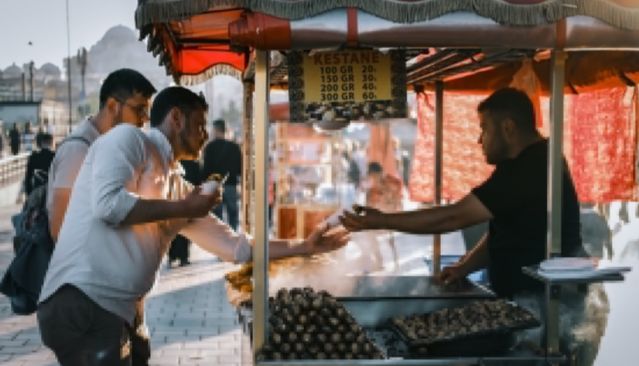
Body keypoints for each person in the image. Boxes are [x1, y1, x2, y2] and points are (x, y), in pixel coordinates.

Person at [37, 86, 349, 366]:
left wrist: (306, 246)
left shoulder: (177, 186)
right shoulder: (129, 140)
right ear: (176, 118)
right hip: (83, 301)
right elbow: (108, 205)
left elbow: (235, 247)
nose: (204, 135)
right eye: (199, 125)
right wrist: (185, 207)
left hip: (122, 312)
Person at [341, 88, 600, 364]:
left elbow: (452, 217)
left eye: (484, 129)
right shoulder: (528, 162)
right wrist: (464, 267)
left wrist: (381, 220)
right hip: (528, 303)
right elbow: (508, 232)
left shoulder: (531, 168)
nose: (480, 139)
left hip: (549, 308)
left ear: (508, 127)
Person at [43, 68, 157, 366]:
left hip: (110, 299)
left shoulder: (112, 147)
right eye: (139, 109)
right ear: (112, 106)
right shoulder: (79, 150)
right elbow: (60, 228)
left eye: (147, 110)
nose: (144, 119)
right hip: (86, 301)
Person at [202, 118, 242, 231]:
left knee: (217, 217)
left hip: (214, 186)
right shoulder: (234, 147)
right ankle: (233, 240)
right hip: (231, 185)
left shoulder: (209, 148)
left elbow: (205, 170)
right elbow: (239, 169)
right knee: (233, 215)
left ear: (215, 130)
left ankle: (219, 243)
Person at [168, 159, 202, 267]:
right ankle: (184, 257)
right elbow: (198, 180)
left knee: (174, 228)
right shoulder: (194, 161)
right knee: (185, 226)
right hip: (188, 198)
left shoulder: (174, 160)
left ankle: (172, 256)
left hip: (173, 198)